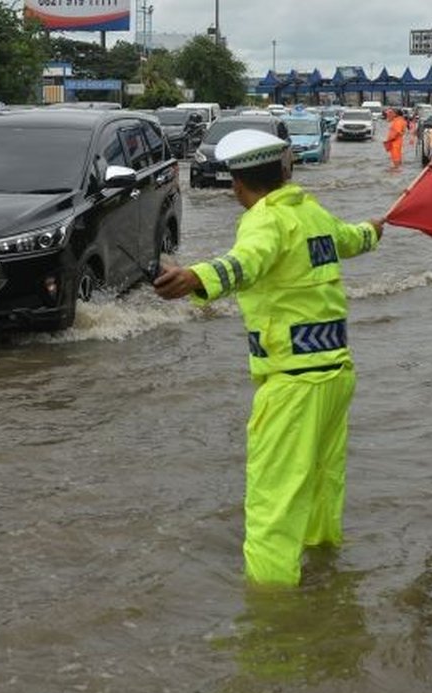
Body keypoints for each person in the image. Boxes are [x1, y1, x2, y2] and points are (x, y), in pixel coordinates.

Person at [152, 129, 384, 587]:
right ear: (285, 171)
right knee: (322, 485)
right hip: (335, 375)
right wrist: (373, 231)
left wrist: (197, 277)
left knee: (272, 502)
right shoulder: (311, 213)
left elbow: (246, 262)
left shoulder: (264, 220)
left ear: (236, 184)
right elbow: (349, 239)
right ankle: (325, 574)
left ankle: (272, 609)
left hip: (292, 384)